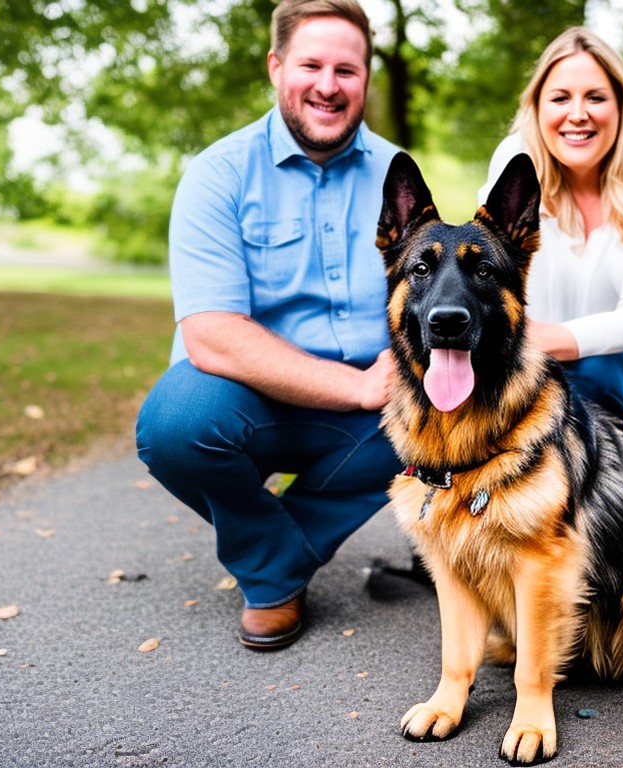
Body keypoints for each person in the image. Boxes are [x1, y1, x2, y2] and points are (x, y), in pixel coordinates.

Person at [135, 0, 404, 651]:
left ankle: (273, 568)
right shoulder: (217, 175)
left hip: (366, 412)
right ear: (276, 67)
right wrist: (358, 389)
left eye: (348, 68)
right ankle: (272, 557)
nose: (328, 85)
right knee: (173, 426)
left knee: (448, 419)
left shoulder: (398, 173)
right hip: (248, 398)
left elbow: (427, 292)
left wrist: (407, 365)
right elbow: (211, 335)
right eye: (311, 64)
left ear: (366, 78)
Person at [481, 26, 623, 461]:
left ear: (622, 107)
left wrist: (517, 336)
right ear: (537, 108)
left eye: (595, 97)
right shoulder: (518, 167)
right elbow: (484, 273)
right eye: (560, 98)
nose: (577, 114)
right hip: (560, 373)